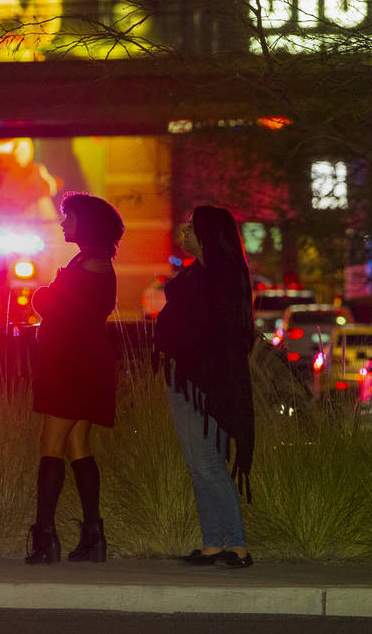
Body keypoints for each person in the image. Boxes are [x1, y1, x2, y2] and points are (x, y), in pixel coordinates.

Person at [25, 192, 125, 565]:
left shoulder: (92, 264)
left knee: (50, 445)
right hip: (84, 365)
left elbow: (53, 305)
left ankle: (44, 536)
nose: (63, 223)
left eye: (68, 217)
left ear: (86, 223)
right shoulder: (92, 261)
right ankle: (92, 536)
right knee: (77, 445)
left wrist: (43, 296)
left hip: (72, 368)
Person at [155, 205, 255, 569]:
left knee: (209, 462)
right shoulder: (196, 275)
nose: (183, 234)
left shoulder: (223, 278)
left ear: (207, 236)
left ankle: (238, 546)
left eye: (190, 229)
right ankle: (213, 542)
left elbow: (224, 334)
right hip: (182, 378)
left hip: (210, 383)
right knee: (197, 464)